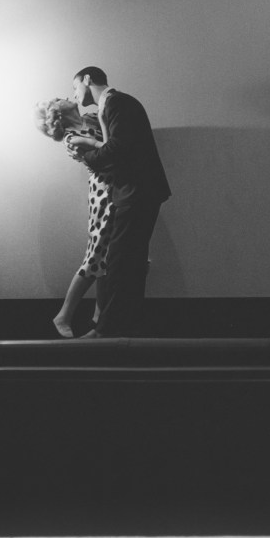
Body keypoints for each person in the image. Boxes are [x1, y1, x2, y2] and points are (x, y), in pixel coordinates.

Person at [65, 66, 171, 337]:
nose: (74, 93)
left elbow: (116, 149)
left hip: (135, 193)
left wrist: (84, 156)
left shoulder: (117, 103)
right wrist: (89, 141)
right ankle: (119, 330)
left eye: (75, 86)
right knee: (128, 265)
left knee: (121, 265)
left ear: (87, 80)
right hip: (135, 192)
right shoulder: (114, 105)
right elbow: (119, 148)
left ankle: (105, 332)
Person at [34, 97, 113, 337]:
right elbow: (109, 150)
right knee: (96, 255)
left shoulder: (90, 118)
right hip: (103, 191)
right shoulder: (72, 138)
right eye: (59, 99)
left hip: (115, 188)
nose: (67, 96)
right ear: (58, 113)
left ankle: (98, 320)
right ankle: (64, 315)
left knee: (106, 258)